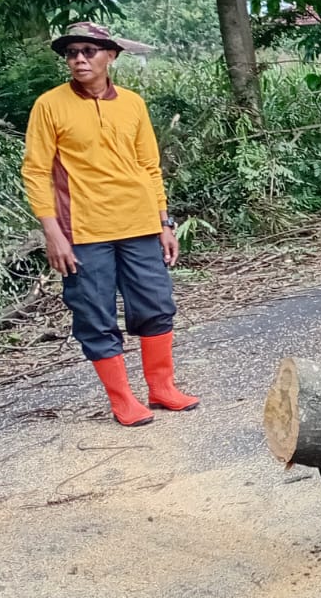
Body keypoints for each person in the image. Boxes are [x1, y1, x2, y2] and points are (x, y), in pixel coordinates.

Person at [21, 22, 198, 427]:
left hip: (139, 224)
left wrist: (164, 222)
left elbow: (149, 166)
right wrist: (52, 232)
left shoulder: (132, 103)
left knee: (157, 306)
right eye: (72, 53)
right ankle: (122, 400)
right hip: (83, 231)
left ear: (111, 56)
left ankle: (162, 388)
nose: (79, 59)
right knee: (95, 315)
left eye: (89, 51)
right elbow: (36, 171)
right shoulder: (50, 105)